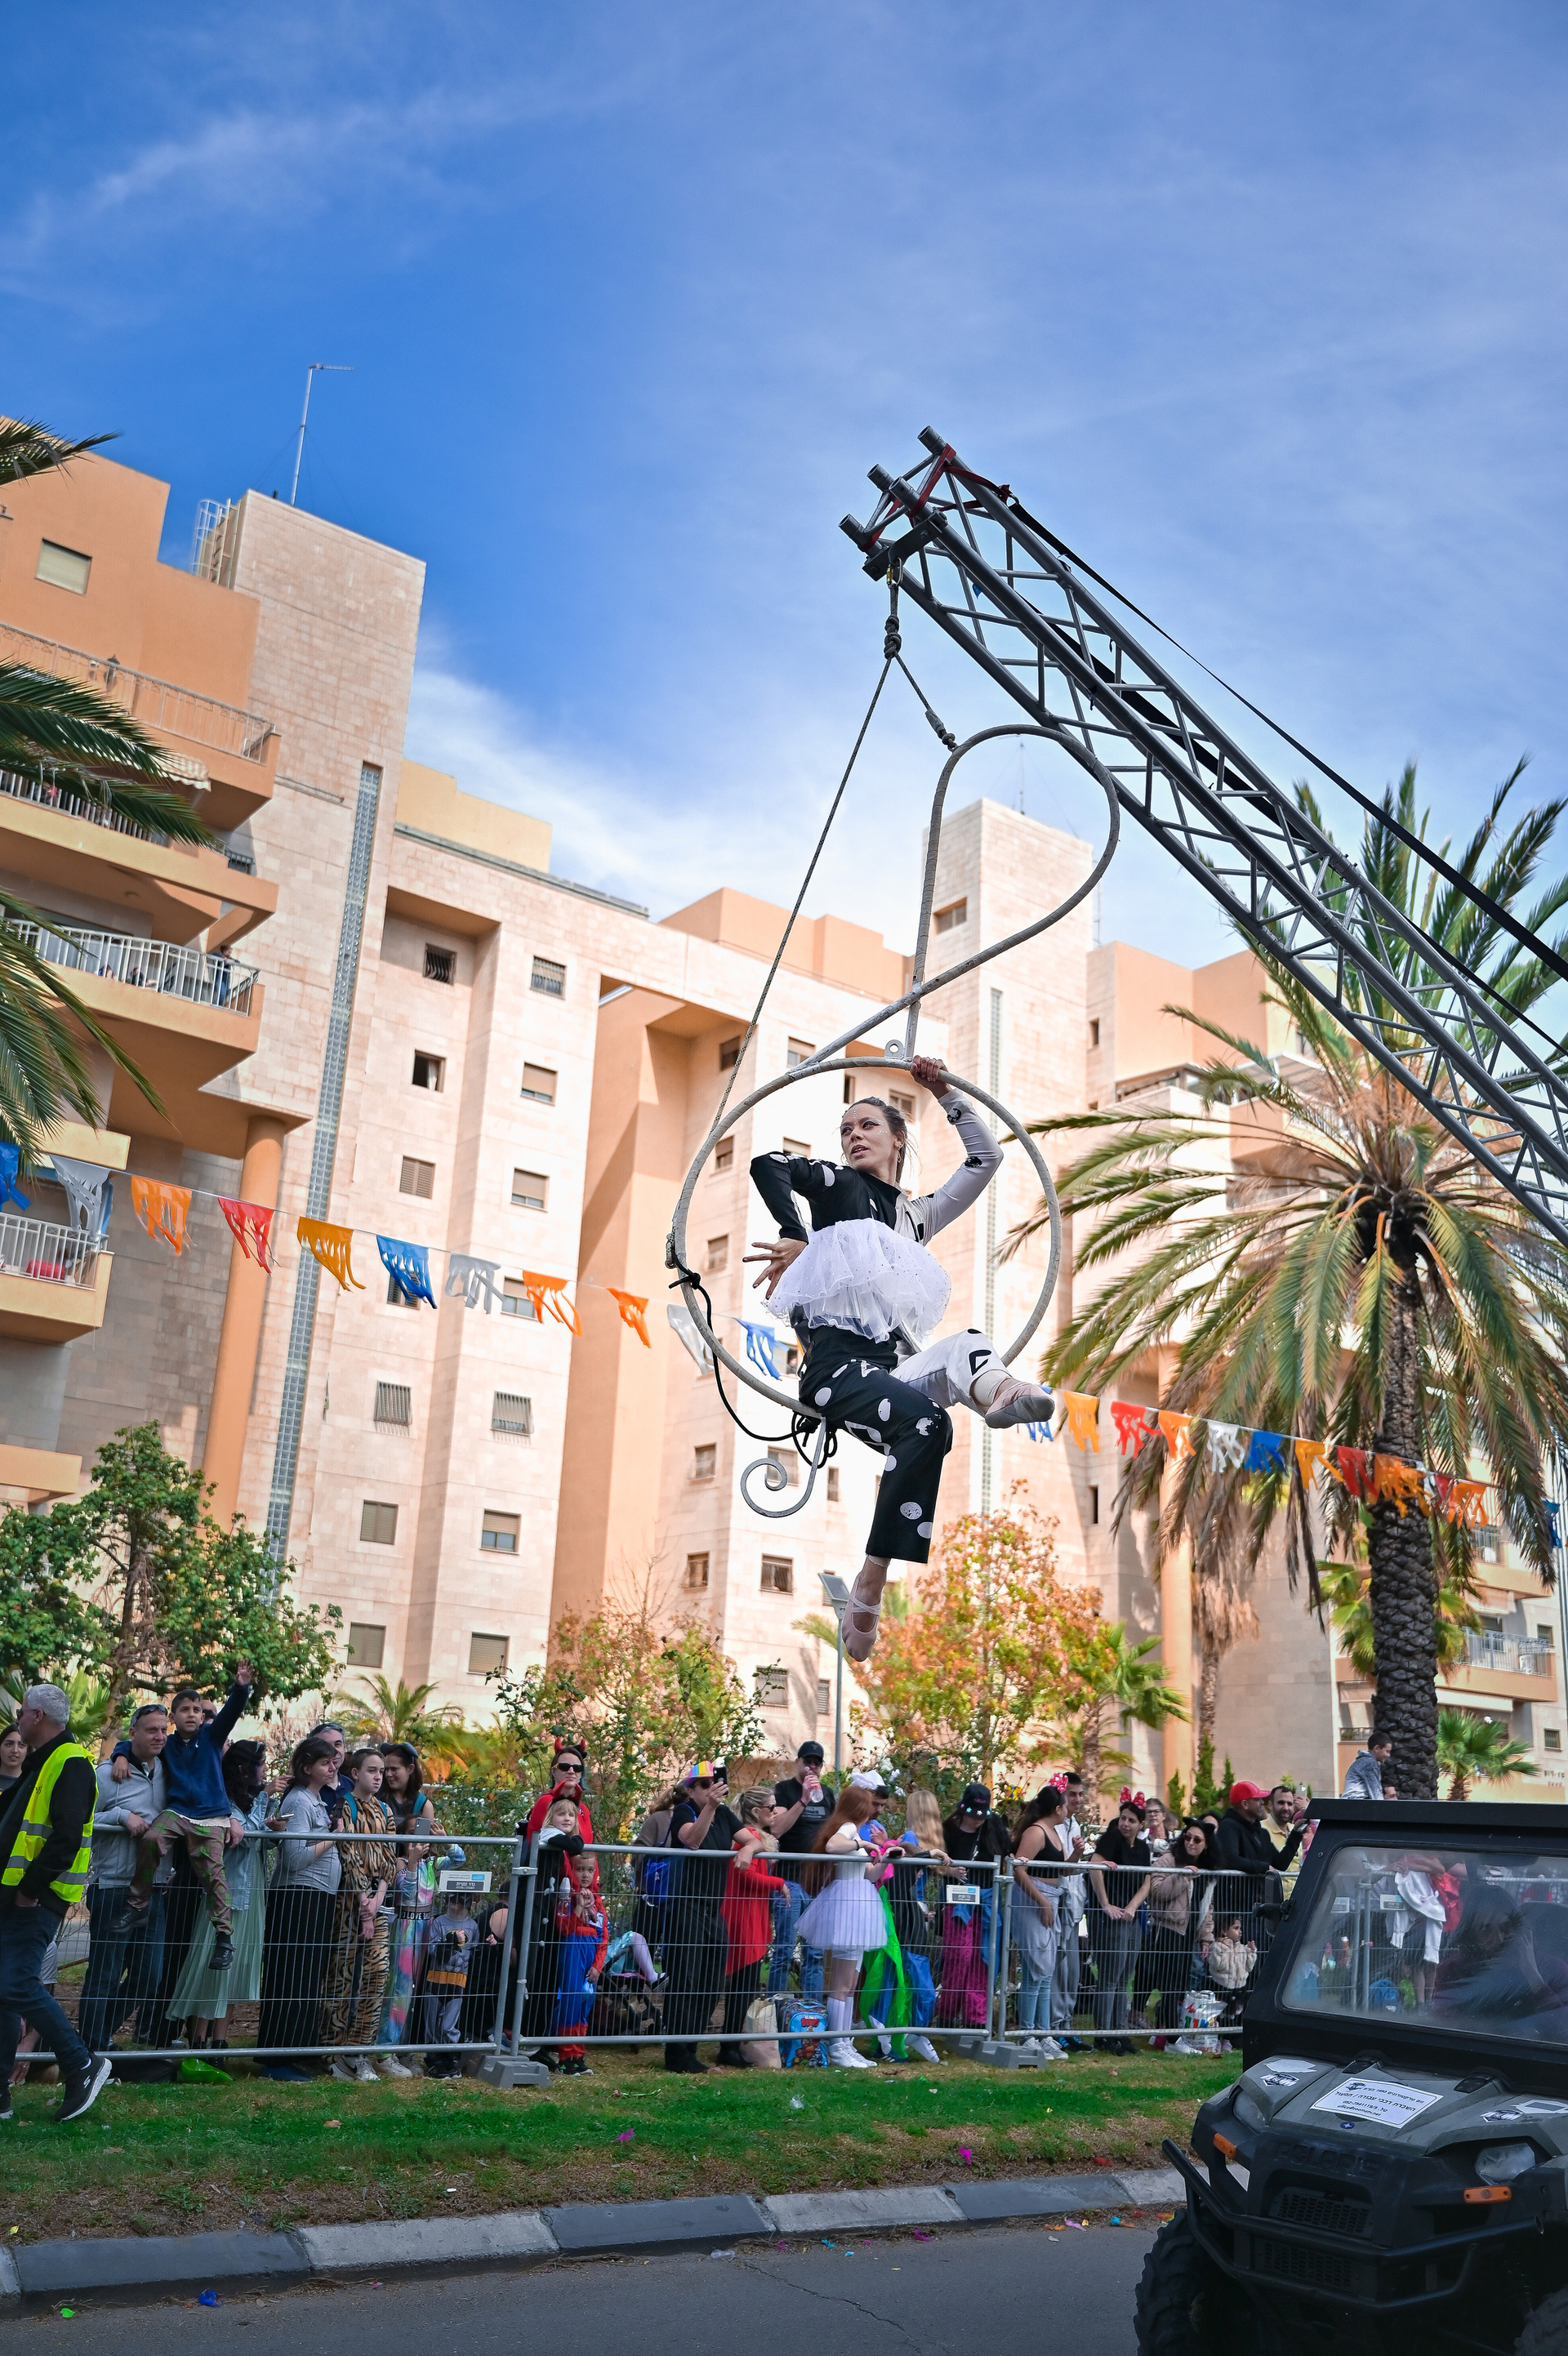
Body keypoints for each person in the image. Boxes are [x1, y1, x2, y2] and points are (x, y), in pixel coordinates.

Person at [746, 1062, 1053, 1663]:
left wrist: (943, 1090)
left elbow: (986, 1159)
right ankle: (873, 1578)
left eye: (867, 1125)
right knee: (930, 1423)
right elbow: (768, 1164)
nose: (853, 1135)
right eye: (846, 1129)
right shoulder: (836, 1186)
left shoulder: (914, 1218)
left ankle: (1000, 1392)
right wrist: (795, 1232)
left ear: (897, 1138)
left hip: (887, 1373)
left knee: (966, 1343)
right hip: (836, 1373)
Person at [0, 1684, 108, 2122]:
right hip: (17, 1896)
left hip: (35, 1899)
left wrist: (29, 1890)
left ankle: (82, 2063)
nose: (18, 1719)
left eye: (22, 1712)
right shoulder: (43, 1761)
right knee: (5, 1990)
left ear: (38, 1716)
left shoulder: (70, 1762)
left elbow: (66, 1837)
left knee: (16, 1985)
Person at [110, 1666, 256, 1970]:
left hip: (211, 1817)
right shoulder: (168, 1744)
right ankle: (138, 1904)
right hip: (177, 1812)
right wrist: (120, 1755)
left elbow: (231, 1711)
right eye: (185, 1710)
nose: (191, 1715)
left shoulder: (212, 1737)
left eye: (197, 1710)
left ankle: (224, 1939)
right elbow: (133, 1742)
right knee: (152, 1838)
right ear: (173, 1717)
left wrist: (241, 1688)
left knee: (214, 1876)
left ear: (203, 1718)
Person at [167, 1740, 270, 2054]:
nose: (266, 1769)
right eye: (261, 1763)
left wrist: (272, 1825)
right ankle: (198, 2040)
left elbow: (261, 1840)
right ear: (244, 1769)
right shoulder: (223, 1800)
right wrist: (265, 1799)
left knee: (238, 1968)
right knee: (211, 1968)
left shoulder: (254, 1800)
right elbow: (241, 1838)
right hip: (227, 1891)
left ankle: (220, 2044)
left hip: (252, 1892)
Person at [79, 1702, 172, 2057]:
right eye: (151, 1730)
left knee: (149, 1976)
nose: (160, 1736)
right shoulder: (106, 1773)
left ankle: (98, 2035)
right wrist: (120, 1816)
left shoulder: (170, 1770)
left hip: (155, 1889)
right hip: (114, 1886)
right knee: (105, 1972)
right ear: (132, 1733)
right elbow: (84, 1819)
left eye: (163, 1730)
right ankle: (90, 2048)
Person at [257, 1734, 342, 2082]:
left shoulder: (316, 1800)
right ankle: (277, 2059)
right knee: (291, 1976)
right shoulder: (298, 1799)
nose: (333, 1767)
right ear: (307, 1767)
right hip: (298, 1898)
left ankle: (295, 2053)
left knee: (307, 1978)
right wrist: (333, 1838)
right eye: (325, 1762)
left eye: (333, 1761)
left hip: (317, 1897)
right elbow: (293, 1859)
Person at [794, 1787, 889, 2069]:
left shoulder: (854, 1832)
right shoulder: (848, 1829)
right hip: (849, 1906)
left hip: (857, 1905)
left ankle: (844, 2042)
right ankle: (837, 2045)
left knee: (849, 1985)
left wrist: (884, 1855)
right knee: (843, 1984)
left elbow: (869, 1874)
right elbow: (833, 1847)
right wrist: (862, 1844)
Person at [324, 1748, 398, 2081]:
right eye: (372, 1770)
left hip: (375, 1902)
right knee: (340, 1977)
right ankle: (330, 2053)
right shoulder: (346, 1806)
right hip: (348, 1902)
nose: (379, 1776)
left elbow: (390, 1857)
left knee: (378, 1972)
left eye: (381, 1771)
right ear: (355, 1773)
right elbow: (348, 1854)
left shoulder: (385, 1810)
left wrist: (378, 1898)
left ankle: (358, 2052)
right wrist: (363, 1902)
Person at [663, 1763, 742, 2073]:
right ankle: (678, 2054)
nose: (712, 1788)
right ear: (691, 1789)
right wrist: (709, 1806)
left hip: (712, 1911)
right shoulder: (685, 1811)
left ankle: (691, 2048)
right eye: (705, 1784)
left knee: (711, 1981)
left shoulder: (724, 1813)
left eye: (715, 1782)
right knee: (685, 1980)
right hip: (687, 1908)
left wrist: (747, 1850)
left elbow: (753, 1839)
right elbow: (692, 1840)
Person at [374, 1746, 437, 2073]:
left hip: (422, 1920)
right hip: (395, 1908)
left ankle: (402, 2047)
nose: (388, 1774)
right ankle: (381, 2050)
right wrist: (407, 1862)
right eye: (384, 1769)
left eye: (394, 1768)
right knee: (393, 1985)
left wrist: (444, 1840)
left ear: (411, 1769)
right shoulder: (377, 1797)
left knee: (411, 1987)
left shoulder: (422, 1803)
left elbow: (447, 1854)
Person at [936, 1784, 1013, 2032]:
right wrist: (951, 1871)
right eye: (972, 1815)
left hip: (987, 1901)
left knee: (983, 1958)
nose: (977, 1820)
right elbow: (937, 1864)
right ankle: (946, 2013)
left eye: (981, 1815)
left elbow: (1008, 1853)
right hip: (958, 1902)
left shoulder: (994, 1826)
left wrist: (1016, 1859)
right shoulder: (948, 1830)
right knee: (960, 1955)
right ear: (962, 1809)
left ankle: (975, 2018)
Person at [882, 1788, 951, 2065]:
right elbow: (903, 1879)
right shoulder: (911, 1840)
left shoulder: (923, 1840)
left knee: (914, 1980)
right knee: (905, 1979)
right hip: (906, 1916)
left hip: (916, 1915)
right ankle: (895, 2036)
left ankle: (908, 2032)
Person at [717, 1806, 789, 2066]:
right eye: (771, 1807)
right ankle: (729, 2046)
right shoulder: (750, 1836)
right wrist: (779, 1884)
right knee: (743, 1985)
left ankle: (732, 2045)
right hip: (745, 1917)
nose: (775, 1812)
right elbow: (746, 1875)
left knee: (744, 1985)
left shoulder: (752, 1838)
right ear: (757, 1811)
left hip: (749, 1914)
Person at [768, 1741, 835, 2003]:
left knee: (815, 1955)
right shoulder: (784, 1790)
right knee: (784, 1950)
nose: (812, 1767)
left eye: (817, 1763)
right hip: (790, 1881)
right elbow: (777, 1829)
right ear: (798, 1762)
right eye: (807, 1761)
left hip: (819, 1884)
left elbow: (835, 1831)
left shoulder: (828, 1794)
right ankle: (774, 2011)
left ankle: (812, 2013)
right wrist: (804, 1799)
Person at [1141, 1818, 1215, 2046]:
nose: (1190, 1842)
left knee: (1180, 1986)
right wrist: (1181, 1876)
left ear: (1206, 1845)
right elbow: (1155, 1891)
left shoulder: (1208, 1869)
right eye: (1187, 1837)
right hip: (1168, 1929)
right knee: (1170, 1986)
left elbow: (1207, 1905)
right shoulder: (1169, 1859)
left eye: (1197, 1840)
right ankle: (1173, 2039)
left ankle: (1163, 2035)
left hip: (1189, 1933)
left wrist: (1206, 1936)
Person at [1087, 1796, 1152, 2054]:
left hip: (1130, 1915)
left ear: (1141, 1824)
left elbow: (1147, 1881)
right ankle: (1103, 2034)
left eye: (1132, 1820)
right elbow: (1094, 1867)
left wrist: (1133, 1907)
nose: (1125, 1824)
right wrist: (1106, 1904)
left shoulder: (1143, 1848)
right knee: (1110, 1977)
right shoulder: (1112, 1838)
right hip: (1111, 1917)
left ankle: (1119, 2031)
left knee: (1125, 1976)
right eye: (1123, 1818)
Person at [1009, 1785, 1070, 2059]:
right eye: (1065, 1805)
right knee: (1035, 1971)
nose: (1068, 1810)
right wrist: (1042, 1901)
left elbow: (1064, 1868)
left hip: (1051, 1898)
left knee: (1046, 1973)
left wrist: (1077, 1854)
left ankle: (1044, 2033)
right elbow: (1019, 1870)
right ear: (1057, 1809)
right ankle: (1028, 2033)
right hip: (1034, 1900)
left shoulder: (1055, 1833)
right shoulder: (1036, 1832)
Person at [1210, 1779, 1306, 1950]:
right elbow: (1230, 1859)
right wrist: (1264, 1867)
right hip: (1236, 1911)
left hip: (1258, 1910)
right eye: (1258, 1799)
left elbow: (1280, 1863)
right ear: (1245, 1804)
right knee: (1242, 1960)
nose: (1262, 1802)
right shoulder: (1228, 1827)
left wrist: (1297, 1832)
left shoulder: (1261, 1833)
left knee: (1260, 1957)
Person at [551, 1874, 609, 2077]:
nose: (585, 1874)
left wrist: (598, 1966)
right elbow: (564, 1928)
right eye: (580, 1869)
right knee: (570, 2004)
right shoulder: (567, 1899)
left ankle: (578, 2055)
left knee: (585, 2005)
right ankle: (565, 2056)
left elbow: (603, 1937)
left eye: (590, 1869)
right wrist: (577, 1907)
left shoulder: (597, 1902)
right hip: (572, 1954)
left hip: (590, 1959)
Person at [1049, 1771, 1090, 2051]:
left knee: (1073, 1972)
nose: (1077, 1799)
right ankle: (1054, 2028)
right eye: (1071, 1794)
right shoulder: (1053, 1825)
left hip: (1074, 1909)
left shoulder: (1074, 1825)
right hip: (1056, 1906)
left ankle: (1066, 2025)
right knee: (1057, 1971)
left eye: (1080, 1794)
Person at [421, 1884, 479, 2076]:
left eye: (461, 1900)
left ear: (471, 1905)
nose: (455, 1904)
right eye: (452, 1899)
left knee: (448, 2026)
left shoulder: (473, 1926)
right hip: (435, 1981)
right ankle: (434, 2060)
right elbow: (432, 1950)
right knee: (432, 2025)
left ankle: (449, 2058)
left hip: (458, 1983)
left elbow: (475, 1952)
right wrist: (451, 1941)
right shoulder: (439, 1922)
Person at [1343, 1733, 1393, 1802]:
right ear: (1377, 1748)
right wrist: (1382, 1807)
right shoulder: (1369, 1763)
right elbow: (1375, 1793)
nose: (1388, 1755)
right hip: (1356, 1802)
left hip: (1350, 1802)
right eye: (1387, 1751)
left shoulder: (1363, 1761)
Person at [0, 1725, 25, 1795]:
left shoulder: (31, 1783)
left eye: (21, 1745)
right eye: (9, 1744)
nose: (15, 1750)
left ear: (27, 1750)